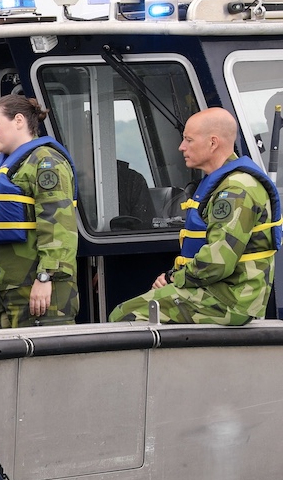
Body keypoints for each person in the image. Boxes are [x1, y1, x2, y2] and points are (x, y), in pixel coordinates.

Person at [109, 107, 282, 325]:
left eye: (189, 140)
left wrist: (173, 278)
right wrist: (174, 276)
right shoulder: (224, 183)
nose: (182, 147)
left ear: (213, 143)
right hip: (218, 290)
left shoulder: (236, 190)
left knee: (124, 315)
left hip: (230, 299)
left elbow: (218, 262)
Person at [0, 95, 80, 327]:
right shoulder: (2, 166)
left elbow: (58, 225)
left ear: (18, 120)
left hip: (37, 286)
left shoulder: (46, 162)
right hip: (1, 286)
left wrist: (46, 277)